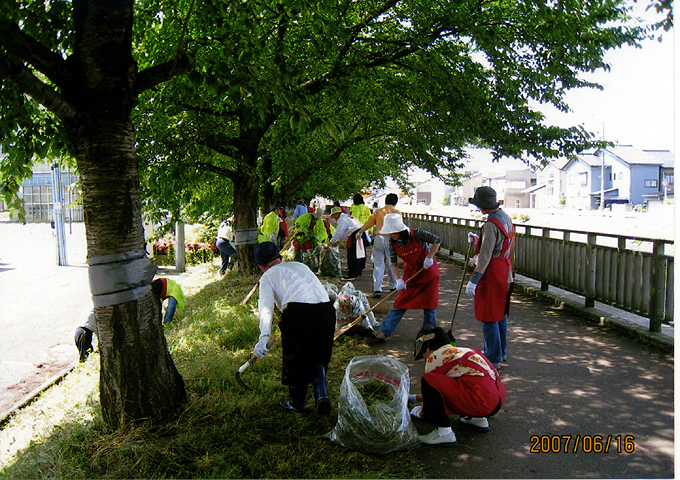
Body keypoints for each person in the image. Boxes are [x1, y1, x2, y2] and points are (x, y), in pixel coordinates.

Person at [252, 242, 336, 414]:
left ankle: (297, 402)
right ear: (280, 258)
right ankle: (321, 393)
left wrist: (264, 337)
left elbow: (266, 308)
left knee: (295, 358)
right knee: (318, 354)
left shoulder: (266, 277)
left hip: (299, 313)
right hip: (326, 310)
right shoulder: (299, 265)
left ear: (261, 266)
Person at [409, 326, 506, 446]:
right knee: (463, 382)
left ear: (427, 348)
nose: (424, 357)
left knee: (428, 380)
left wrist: (420, 413)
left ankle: (444, 432)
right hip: (495, 400)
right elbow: (448, 388)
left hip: (481, 402)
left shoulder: (435, 357)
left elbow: (433, 390)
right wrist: (413, 398)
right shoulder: (462, 351)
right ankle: (477, 419)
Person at [465, 186, 515, 369]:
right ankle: (501, 351)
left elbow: (485, 256)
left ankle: (493, 357)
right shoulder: (505, 218)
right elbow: (497, 245)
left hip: (491, 273)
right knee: (500, 314)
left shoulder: (490, 225)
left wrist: (474, 280)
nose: (478, 208)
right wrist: (478, 239)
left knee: (489, 316)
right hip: (505, 271)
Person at [373, 213, 441, 341]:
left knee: (429, 304)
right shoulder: (392, 242)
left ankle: (429, 334)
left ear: (401, 230)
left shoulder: (417, 233)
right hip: (411, 274)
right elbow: (392, 262)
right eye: (390, 233)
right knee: (400, 303)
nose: (392, 236)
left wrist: (430, 256)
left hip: (428, 272)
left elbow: (437, 240)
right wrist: (398, 279)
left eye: (394, 233)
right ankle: (384, 332)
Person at [355, 193, 400, 298]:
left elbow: (368, 223)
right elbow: (400, 228)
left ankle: (377, 289)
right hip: (391, 239)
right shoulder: (397, 213)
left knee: (378, 265)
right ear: (396, 202)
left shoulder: (378, 211)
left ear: (385, 201)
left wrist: (360, 232)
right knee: (391, 263)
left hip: (379, 238)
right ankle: (393, 285)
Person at [325, 206, 364, 280]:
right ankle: (356, 271)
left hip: (356, 233)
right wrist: (339, 241)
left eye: (333, 216)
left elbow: (339, 232)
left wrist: (330, 242)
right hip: (357, 232)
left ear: (337, 214)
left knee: (353, 254)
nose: (333, 218)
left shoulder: (342, 220)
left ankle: (353, 274)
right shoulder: (345, 217)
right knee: (357, 253)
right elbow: (344, 233)